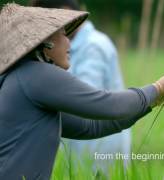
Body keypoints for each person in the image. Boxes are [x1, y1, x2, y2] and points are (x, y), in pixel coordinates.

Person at [0, 3, 164, 180]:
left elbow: (91, 126)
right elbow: (107, 105)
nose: (69, 44)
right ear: (45, 42)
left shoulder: (23, 79)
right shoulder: (38, 75)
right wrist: (157, 89)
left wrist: (157, 99)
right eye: (64, 34)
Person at [29, 0, 132, 172]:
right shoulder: (70, 44)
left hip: (100, 147)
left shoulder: (93, 46)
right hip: (84, 144)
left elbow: (84, 99)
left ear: (66, 12)